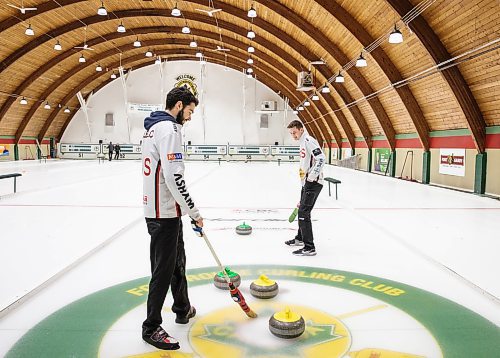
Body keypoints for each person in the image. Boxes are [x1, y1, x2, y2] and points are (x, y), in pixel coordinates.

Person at [141, 86, 203, 351]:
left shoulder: (154, 127)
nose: (188, 117)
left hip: (165, 211)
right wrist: (195, 212)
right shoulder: (170, 129)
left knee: (178, 262)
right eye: (189, 111)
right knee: (163, 271)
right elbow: (173, 177)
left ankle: (182, 307)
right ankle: (151, 327)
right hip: (163, 213)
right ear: (178, 105)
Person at [285, 120, 325, 256]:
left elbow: (321, 158)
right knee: (302, 210)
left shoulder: (308, 140)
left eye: (294, 132)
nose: (293, 135)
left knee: (303, 213)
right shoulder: (302, 142)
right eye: (291, 133)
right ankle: (300, 238)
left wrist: (311, 177)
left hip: (312, 183)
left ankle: (309, 247)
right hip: (306, 184)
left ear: (301, 129)